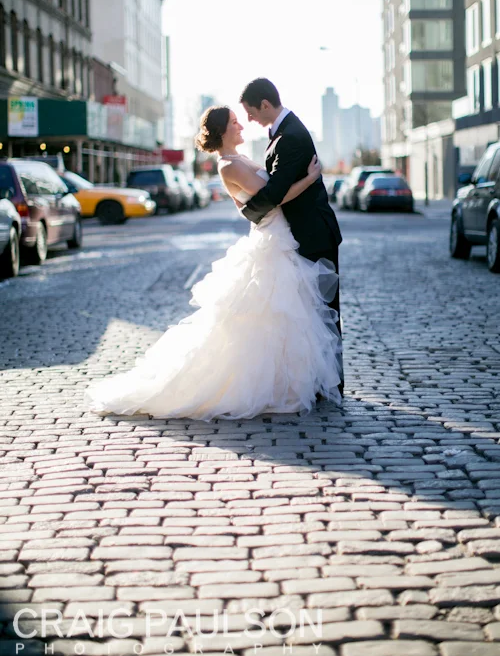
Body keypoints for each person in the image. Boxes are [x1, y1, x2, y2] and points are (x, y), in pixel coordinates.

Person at [84, 106, 343, 421]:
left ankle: (285, 381)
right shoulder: (228, 166)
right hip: (272, 240)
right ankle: (265, 385)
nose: (241, 125)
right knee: (269, 314)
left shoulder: (241, 159)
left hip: (280, 236)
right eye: (235, 122)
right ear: (222, 131)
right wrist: (310, 178)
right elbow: (271, 197)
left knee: (285, 317)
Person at [239, 78, 343, 396]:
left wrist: (247, 211)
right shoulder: (283, 134)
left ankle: (332, 385)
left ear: (266, 105)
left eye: (251, 112)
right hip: (301, 235)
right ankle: (317, 381)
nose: (249, 120)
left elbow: (275, 191)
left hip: (314, 235)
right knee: (308, 312)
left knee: (324, 311)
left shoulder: (292, 137)